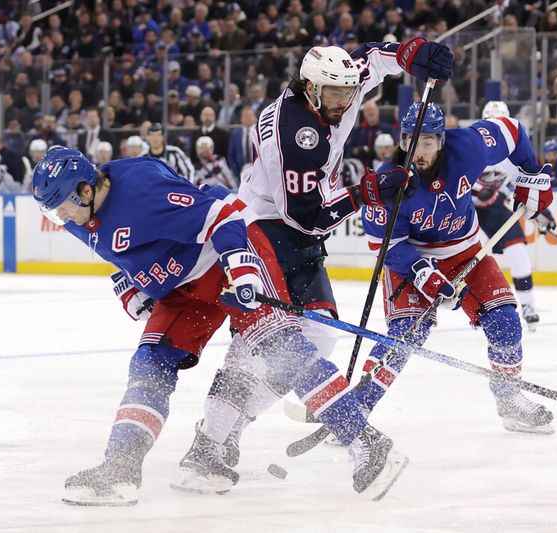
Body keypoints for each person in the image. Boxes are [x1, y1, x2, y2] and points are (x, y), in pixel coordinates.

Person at [31, 147, 408, 505]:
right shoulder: (79, 211)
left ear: (85, 190)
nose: (62, 219)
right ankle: (120, 469)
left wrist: (242, 268)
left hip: (221, 263)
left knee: (281, 350)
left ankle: (367, 442)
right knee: (149, 364)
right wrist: (130, 282)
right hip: (181, 289)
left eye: (62, 209)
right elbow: (114, 244)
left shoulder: (143, 192)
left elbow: (223, 212)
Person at [180, 40, 453, 487]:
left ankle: (227, 432)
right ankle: (210, 444)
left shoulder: (335, 84)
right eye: (335, 96)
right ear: (310, 88)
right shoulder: (294, 135)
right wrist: (369, 191)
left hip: (298, 240)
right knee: (273, 345)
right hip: (261, 235)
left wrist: (412, 53)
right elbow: (306, 216)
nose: (345, 103)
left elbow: (374, 60)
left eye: (349, 93)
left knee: (320, 335)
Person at [356, 101, 555, 434]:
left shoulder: (469, 145)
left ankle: (509, 399)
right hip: (410, 259)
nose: (417, 150)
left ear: (442, 139)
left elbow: (513, 131)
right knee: (408, 333)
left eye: (427, 142)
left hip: (465, 251)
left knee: (506, 321)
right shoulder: (387, 184)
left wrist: (532, 178)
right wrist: (425, 275)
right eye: (411, 140)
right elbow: (384, 246)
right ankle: (355, 409)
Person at [474, 100, 555, 329]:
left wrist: (541, 211)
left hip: (495, 206)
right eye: (491, 124)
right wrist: (477, 189)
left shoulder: (514, 151)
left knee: (517, 249)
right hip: (465, 206)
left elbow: (527, 184)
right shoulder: (472, 144)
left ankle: (528, 303)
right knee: (456, 253)